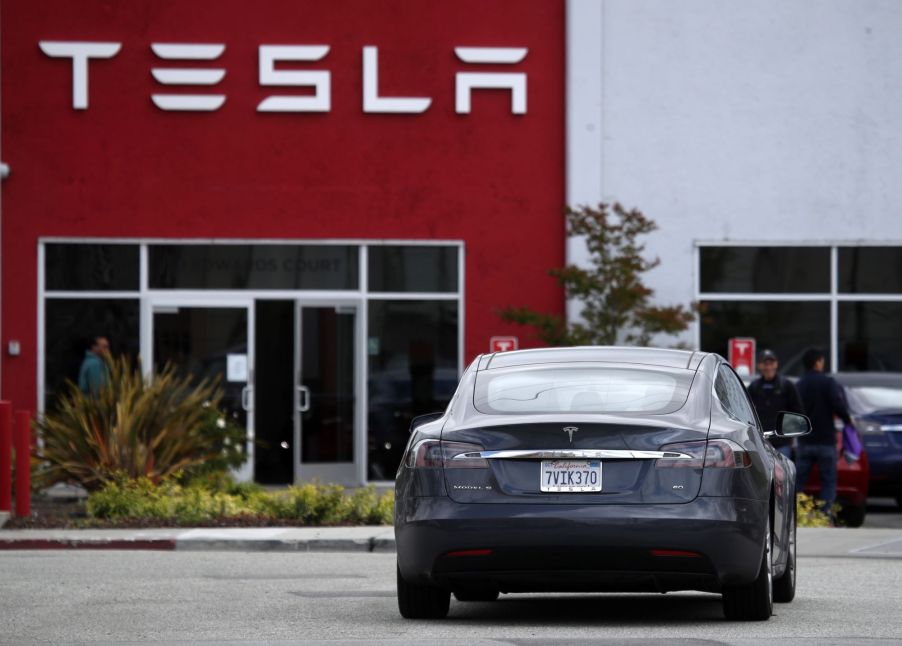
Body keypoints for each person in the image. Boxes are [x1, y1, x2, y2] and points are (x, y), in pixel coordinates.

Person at [795, 347, 853, 519]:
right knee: (828, 481)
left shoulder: (799, 385)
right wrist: (848, 421)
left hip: (805, 441)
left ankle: (796, 512)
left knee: (798, 482)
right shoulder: (828, 383)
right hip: (826, 440)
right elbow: (838, 405)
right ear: (818, 362)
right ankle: (825, 514)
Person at [747, 349, 804, 460]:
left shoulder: (787, 386)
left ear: (776, 364)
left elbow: (798, 413)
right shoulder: (753, 388)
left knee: (783, 476)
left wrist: (789, 433)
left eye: (771, 363)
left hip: (783, 445)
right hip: (760, 445)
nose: (768, 367)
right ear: (759, 366)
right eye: (765, 364)